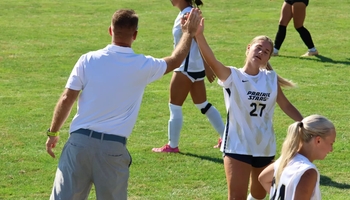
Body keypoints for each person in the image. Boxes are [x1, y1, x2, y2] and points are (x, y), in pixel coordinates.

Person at [45, 8, 202, 200]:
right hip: (113, 151)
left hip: (78, 145)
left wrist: (53, 133)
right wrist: (188, 33)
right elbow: (176, 59)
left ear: (110, 30)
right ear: (135, 35)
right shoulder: (142, 65)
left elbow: (66, 98)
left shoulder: (87, 59)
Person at [194, 17, 304, 200]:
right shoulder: (232, 75)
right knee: (237, 197)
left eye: (266, 51)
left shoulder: (270, 78)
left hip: (265, 147)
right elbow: (212, 61)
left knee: (259, 195)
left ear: (268, 58)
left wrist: (304, 123)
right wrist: (199, 35)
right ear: (248, 48)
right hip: (237, 146)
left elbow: (284, 104)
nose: (261, 52)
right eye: (258, 47)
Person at [152, 0, 225, 153]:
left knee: (174, 106)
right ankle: (225, 137)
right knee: (202, 105)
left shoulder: (187, 14)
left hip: (185, 68)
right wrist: (205, 67)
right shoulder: (188, 12)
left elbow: (198, 39)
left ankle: (172, 146)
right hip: (194, 68)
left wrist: (208, 66)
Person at [258, 115, 336, 200]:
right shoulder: (307, 172)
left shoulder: (286, 159)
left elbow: (263, 178)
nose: (331, 149)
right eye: (331, 143)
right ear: (318, 140)